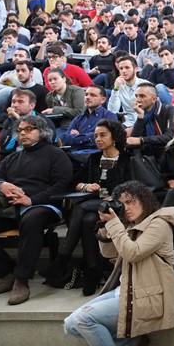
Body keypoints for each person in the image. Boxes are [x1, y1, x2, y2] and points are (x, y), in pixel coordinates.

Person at [64, 180, 174, 346]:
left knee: (82, 319)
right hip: (129, 289)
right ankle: (131, 344)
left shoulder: (159, 223)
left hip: (151, 294)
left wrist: (114, 225)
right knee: (70, 325)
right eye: (123, 203)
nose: (126, 208)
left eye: (131, 202)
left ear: (145, 200)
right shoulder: (130, 225)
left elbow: (132, 253)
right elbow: (110, 254)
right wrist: (105, 228)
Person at [0, 115, 72, 305]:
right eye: (20, 131)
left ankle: (22, 279)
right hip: (11, 207)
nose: (23, 134)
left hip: (44, 205)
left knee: (32, 220)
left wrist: (31, 200)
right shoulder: (13, 157)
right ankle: (4, 271)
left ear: (42, 132)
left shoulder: (56, 154)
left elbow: (61, 186)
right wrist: (2, 185)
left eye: (28, 130)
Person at [45, 119, 131, 295]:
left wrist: (114, 196)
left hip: (118, 205)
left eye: (103, 135)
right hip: (94, 206)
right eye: (96, 136)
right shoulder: (94, 158)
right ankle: (93, 269)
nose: (98, 139)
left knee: (82, 209)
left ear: (114, 137)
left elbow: (132, 187)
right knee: (88, 220)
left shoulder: (127, 158)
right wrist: (86, 186)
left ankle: (63, 257)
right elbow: (73, 182)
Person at [60, 85, 118, 150]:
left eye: (93, 95)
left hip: (97, 152)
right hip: (76, 153)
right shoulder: (79, 118)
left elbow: (105, 140)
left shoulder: (109, 116)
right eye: (86, 94)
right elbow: (65, 139)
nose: (87, 97)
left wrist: (78, 137)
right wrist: (90, 137)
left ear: (103, 100)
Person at [128, 83, 174, 157]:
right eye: (136, 96)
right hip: (147, 155)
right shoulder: (142, 112)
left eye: (142, 96)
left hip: (166, 154)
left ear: (154, 99)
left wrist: (142, 140)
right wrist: (140, 117)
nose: (138, 100)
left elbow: (170, 137)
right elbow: (134, 141)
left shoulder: (169, 110)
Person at [107, 55, 147, 129]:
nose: (124, 71)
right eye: (121, 68)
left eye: (127, 67)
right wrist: (116, 89)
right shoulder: (119, 86)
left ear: (136, 69)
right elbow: (112, 110)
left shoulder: (145, 85)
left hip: (145, 122)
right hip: (128, 123)